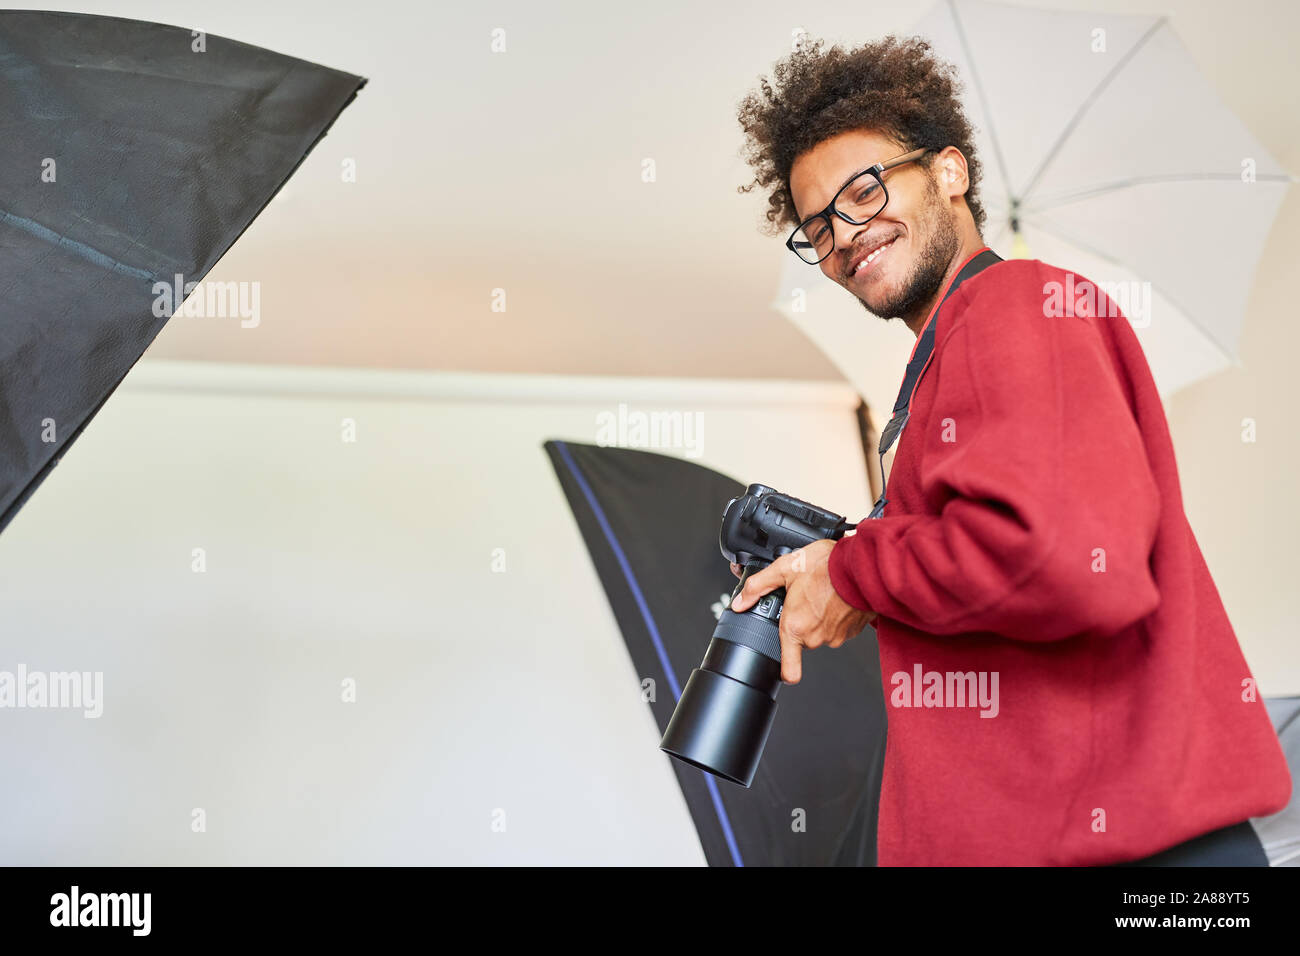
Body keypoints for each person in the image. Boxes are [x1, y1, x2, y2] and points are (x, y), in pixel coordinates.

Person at [726, 34, 1290, 866]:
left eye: (864, 189)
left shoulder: (1016, 303)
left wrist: (851, 573)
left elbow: (1061, 557)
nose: (844, 234)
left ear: (950, 173)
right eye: (817, 225)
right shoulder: (946, 361)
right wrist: (861, 577)